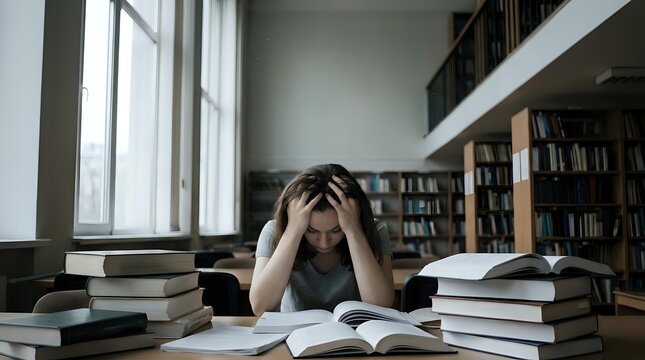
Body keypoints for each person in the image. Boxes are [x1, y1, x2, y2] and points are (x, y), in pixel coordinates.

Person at [249, 164, 394, 315]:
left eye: (336, 230)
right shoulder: (274, 231)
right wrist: (293, 232)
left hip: (354, 333)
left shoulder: (375, 230)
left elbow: (380, 306)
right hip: (295, 335)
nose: (324, 242)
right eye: (311, 230)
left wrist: (354, 231)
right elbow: (260, 306)